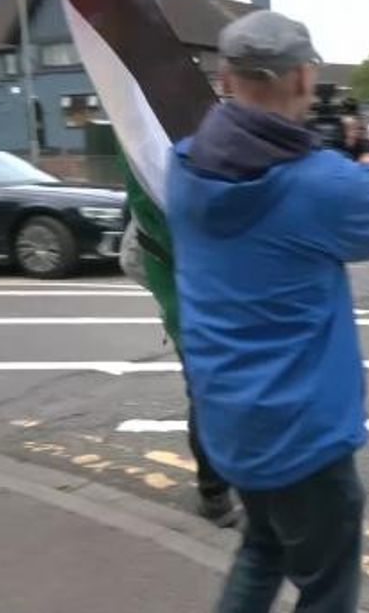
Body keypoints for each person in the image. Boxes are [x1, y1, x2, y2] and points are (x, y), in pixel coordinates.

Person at [166, 9, 369, 612]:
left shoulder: (184, 165)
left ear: (226, 79)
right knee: (326, 590)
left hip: (230, 415)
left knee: (264, 547)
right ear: (303, 77)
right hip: (303, 431)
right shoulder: (321, 183)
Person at [117, 215, 239, 529]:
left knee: (205, 399)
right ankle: (237, 488)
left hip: (184, 313)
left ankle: (215, 495)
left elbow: (132, 256)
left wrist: (167, 292)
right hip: (232, 307)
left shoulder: (146, 190)